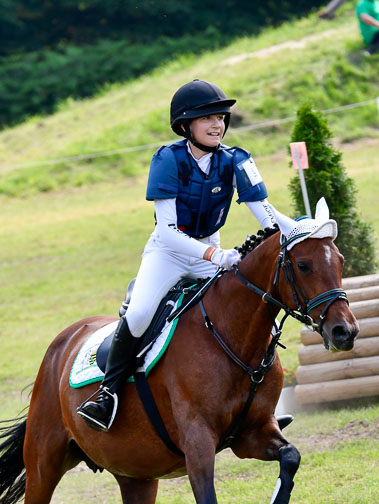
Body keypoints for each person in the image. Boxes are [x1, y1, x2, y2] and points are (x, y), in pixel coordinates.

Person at [77, 79, 277, 432]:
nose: (217, 125)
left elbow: (267, 215)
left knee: (252, 309)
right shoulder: (168, 160)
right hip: (168, 252)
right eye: (207, 119)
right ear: (185, 126)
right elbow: (169, 230)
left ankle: (258, 404)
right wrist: (215, 255)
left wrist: (304, 230)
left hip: (209, 249)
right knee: (138, 315)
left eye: (221, 117)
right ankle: (107, 394)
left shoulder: (236, 159)